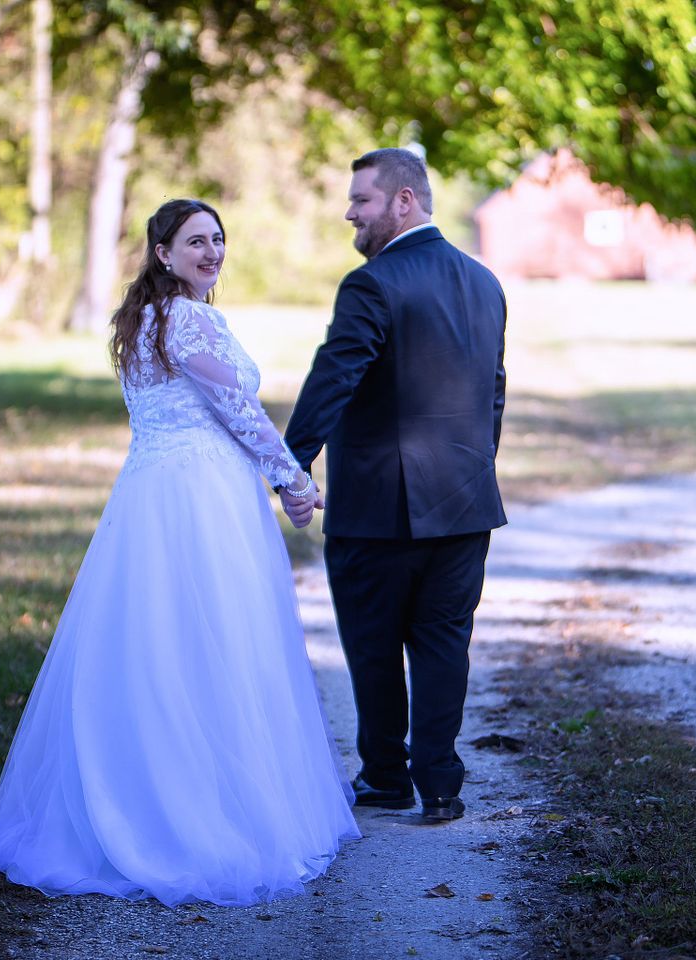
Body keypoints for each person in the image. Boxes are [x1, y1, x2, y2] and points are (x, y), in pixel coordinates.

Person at [0, 199, 359, 906]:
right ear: (163, 253)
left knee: (155, 645)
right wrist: (294, 480)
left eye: (218, 240)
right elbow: (235, 410)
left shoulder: (143, 320)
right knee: (214, 644)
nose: (211, 253)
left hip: (151, 495)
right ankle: (200, 818)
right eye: (195, 242)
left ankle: (151, 794)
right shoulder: (189, 318)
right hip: (198, 501)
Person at [283, 148, 507, 824]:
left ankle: (385, 776)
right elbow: (493, 393)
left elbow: (334, 378)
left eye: (362, 199)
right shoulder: (485, 280)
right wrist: (476, 467)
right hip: (466, 504)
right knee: (444, 645)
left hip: (379, 508)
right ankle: (439, 785)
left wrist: (288, 462)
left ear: (403, 201)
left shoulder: (371, 283)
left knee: (375, 647)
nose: (350, 211)